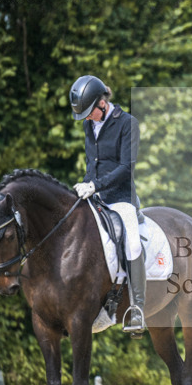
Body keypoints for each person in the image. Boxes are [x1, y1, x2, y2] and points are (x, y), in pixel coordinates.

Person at [69, 75, 147, 334]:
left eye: (89, 113)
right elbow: (93, 163)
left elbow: (126, 168)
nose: (87, 119)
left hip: (121, 198)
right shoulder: (88, 125)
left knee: (133, 243)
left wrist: (96, 186)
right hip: (95, 195)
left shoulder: (127, 124)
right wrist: (85, 186)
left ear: (102, 103)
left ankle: (137, 309)